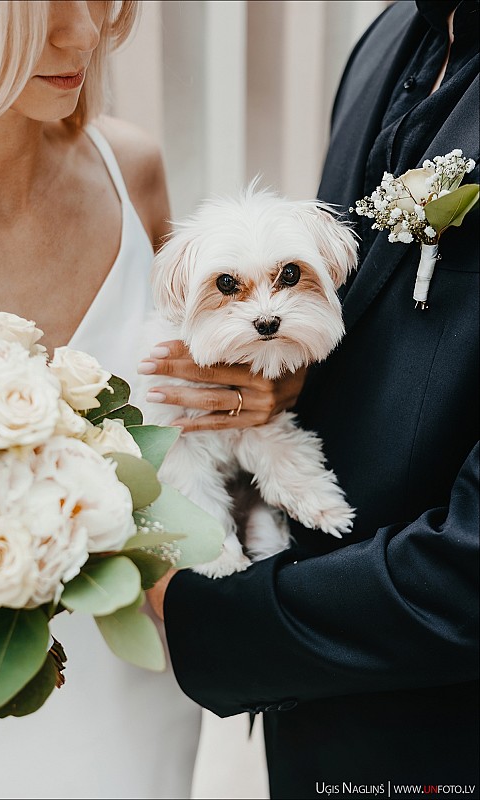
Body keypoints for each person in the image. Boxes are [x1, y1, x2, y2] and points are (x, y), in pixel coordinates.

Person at [0, 2, 305, 798]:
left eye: (99, 2)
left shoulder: (131, 168)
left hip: (133, 678)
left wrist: (264, 382)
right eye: (39, 12)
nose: (83, 36)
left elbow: (203, 384)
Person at [149, 1, 480, 797]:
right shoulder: (385, 38)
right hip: (314, 727)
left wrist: (213, 618)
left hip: (446, 732)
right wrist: (283, 369)